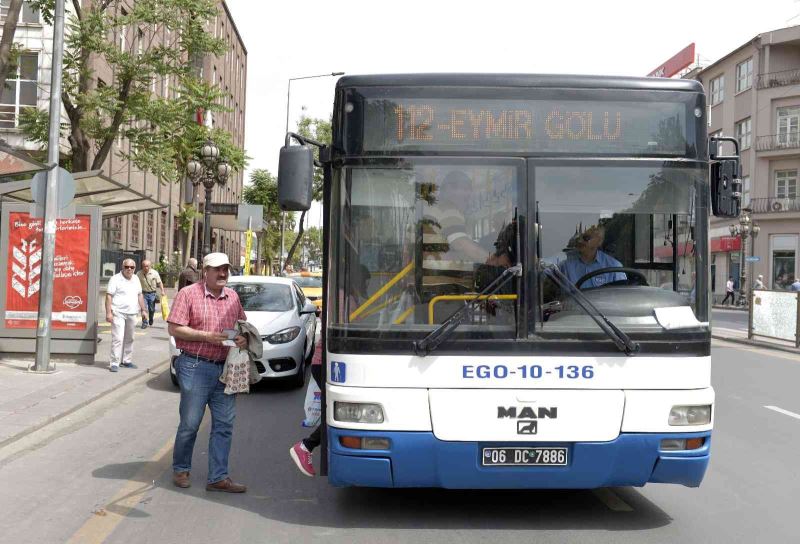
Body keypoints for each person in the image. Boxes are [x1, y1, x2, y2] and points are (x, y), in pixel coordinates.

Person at [167, 252, 249, 493]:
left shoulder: (233, 297)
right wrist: (207, 336)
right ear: (205, 271)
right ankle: (181, 469)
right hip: (195, 366)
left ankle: (218, 477)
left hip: (225, 369)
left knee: (224, 425)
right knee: (191, 424)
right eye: (217, 269)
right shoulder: (188, 294)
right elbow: (174, 328)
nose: (222, 273)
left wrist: (243, 338)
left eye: (225, 269)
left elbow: (241, 326)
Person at [105, 259, 148, 372]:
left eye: (132, 267)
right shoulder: (115, 279)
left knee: (130, 338)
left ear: (134, 268)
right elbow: (109, 296)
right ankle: (114, 363)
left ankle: (126, 360)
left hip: (133, 313)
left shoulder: (136, 279)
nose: (129, 269)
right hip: (118, 312)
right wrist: (108, 312)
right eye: (127, 267)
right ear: (122, 267)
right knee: (118, 338)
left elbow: (139, 295)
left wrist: (144, 310)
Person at [290, 340, 323, 476]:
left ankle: (307, 445)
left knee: (339, 413)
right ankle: (306, 446)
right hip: (327, 363)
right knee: (340, 413)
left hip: (330, 363)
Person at [557, 224, 626, 288]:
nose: (580, 241)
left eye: (586, 238)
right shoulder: (564, 263)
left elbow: (621, 296)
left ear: (599, 241)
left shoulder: (614, 267)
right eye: (578, 238)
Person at [137, 260, 165, 329]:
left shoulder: (154, 273)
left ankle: (151, 318)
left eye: (147, 266)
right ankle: (144, 322)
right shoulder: (138, 273)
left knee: (151, 309)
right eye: (144, 266)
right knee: (143, 309)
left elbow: (159, 282)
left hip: (152, 294)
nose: (145, 268)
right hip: (143, 294)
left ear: (150, 266)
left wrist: (162, 291)